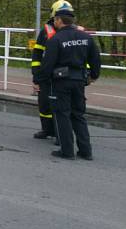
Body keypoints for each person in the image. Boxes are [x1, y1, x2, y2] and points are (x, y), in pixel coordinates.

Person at [39, 8, 101, 160]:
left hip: (61, 82)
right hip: (79, 80)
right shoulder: (85, 37)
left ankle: (67, 151)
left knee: (62, 115)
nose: (54, 22)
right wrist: (93, 76)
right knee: (78, 115)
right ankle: (86, 152)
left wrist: (42, 81)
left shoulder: (55, 39)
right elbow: (95, 59)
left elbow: (47, 65)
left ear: (59, 20)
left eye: (55, 20)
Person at [30, 0, 73, 141]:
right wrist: (36, 75)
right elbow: (37, 54)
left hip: (64, 76)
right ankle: (47, 129)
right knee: (44, 103)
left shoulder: (73, 32)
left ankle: (60, 134)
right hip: (46, 75)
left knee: (61, 106)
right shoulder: (46, 32)